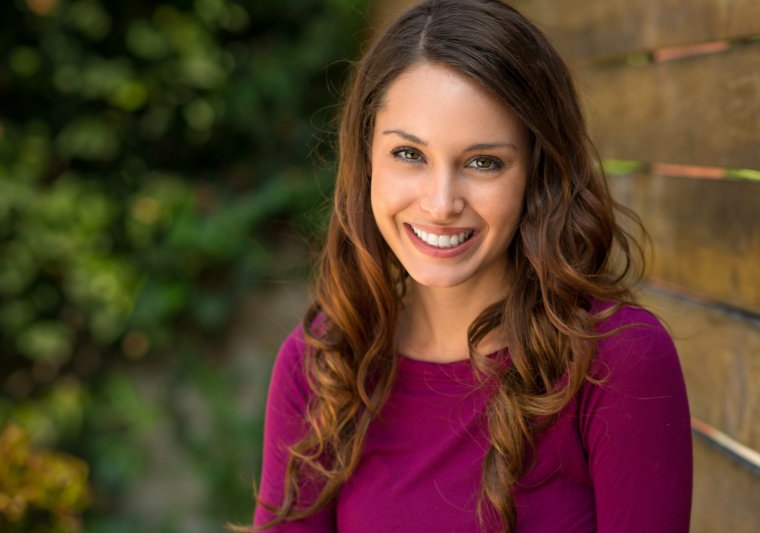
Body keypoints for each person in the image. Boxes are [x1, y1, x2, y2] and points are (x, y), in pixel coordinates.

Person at [251, 0, 692, 531]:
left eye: (484, 163)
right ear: (367, 157)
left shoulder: (619, 361)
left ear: (537, 171)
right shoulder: (323, 364)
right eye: (409, 154)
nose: (441, 203)